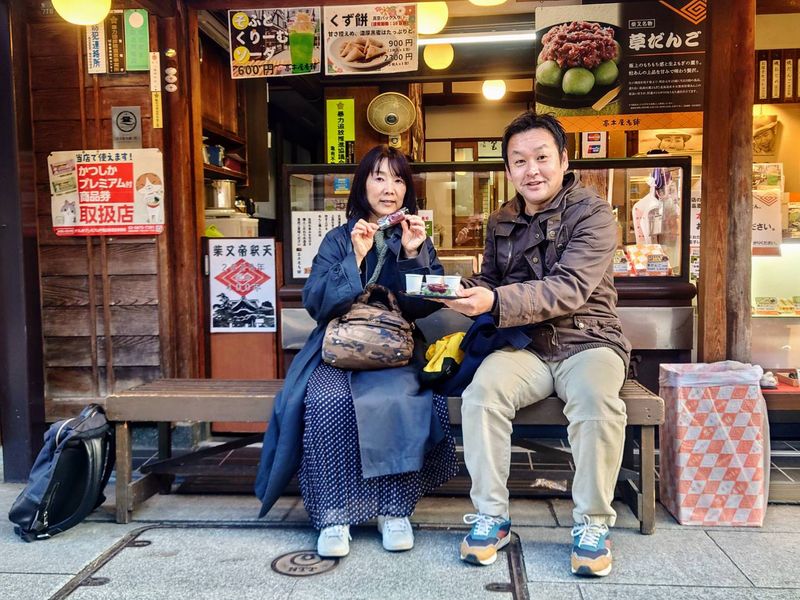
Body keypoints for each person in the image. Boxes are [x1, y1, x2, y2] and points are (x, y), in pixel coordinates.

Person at [442, 112, 631, 577]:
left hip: (588, 340)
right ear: (507, 169)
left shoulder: (594, 212)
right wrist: (458, 289)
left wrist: (494, 299)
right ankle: (492, 517)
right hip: (526, 346)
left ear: (564, 160)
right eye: (519, 160)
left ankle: (592, 524)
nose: (532, 170)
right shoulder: (502, 217)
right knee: (482, 395)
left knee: (595, 400)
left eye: (542, 157)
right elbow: (492, 278)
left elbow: (569, 287)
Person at [255, 145, 458, 558]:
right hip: (337, 345)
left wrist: (417, 254)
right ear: (362, 184)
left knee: (404, 398)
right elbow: (316, 303)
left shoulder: (414, 234)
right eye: (380, 177)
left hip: (395, 347)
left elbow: (426, 303)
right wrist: (355, 256)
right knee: (326, 399)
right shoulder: (337, 237)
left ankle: (394, 511)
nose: (390, 188)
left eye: (399, 179)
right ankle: (333, 515)